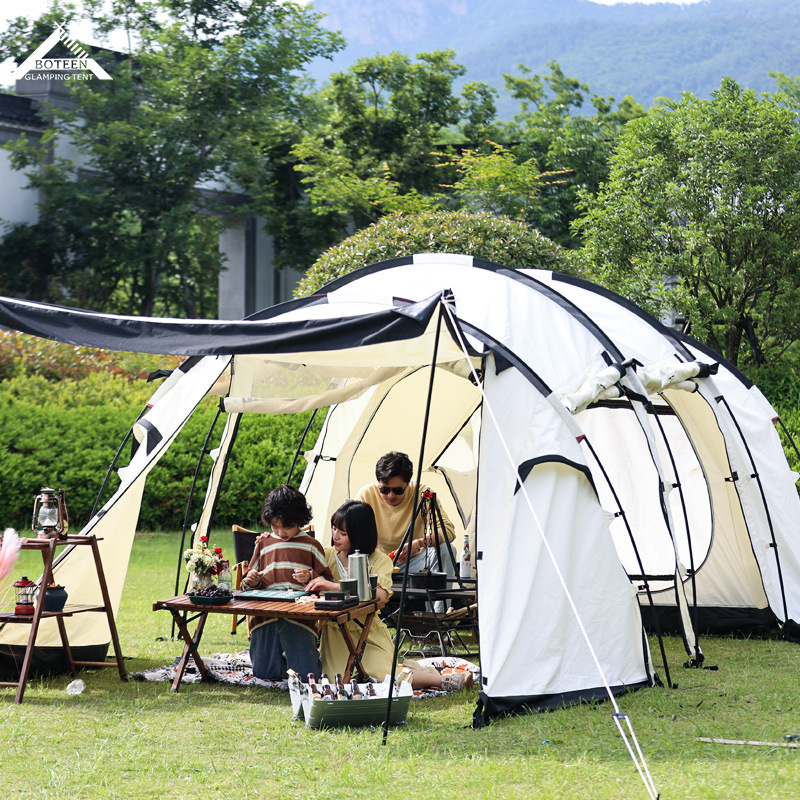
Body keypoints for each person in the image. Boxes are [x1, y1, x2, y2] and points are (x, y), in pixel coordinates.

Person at [302, 500, 472, 692]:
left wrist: (332, 586)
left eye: (343, 533)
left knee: (387, 677)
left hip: (367, 633)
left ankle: (445, 681)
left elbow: (379, 595)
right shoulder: (326, 555)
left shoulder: (378, 560)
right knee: (337, 681)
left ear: (360, 535)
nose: (335, 536)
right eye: (334, 529)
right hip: (335, 635)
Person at [241, 484, 332, 681]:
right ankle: (282, 661)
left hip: (299, 617)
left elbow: (328, 582)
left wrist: (311, 576)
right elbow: (247, 583)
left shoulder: (311, 545)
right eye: (275, 526)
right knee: (264, 674)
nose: (281, 532)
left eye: (287, 526)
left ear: (300, 519)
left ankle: (299, 660)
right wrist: (252, 580)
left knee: (307, 676)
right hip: (265, 615)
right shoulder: (263, 543)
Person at [355, 451, 457, 576]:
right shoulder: (366, 495)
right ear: (378, 483)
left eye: (398, 490)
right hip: (376, 564)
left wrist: (419, 544)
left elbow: (448, 530)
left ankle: (441, 590)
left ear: (408, 484)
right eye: (384, 489)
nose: (390, 495)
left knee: (446, 550)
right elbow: (352, 532)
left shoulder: (422, 493)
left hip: (413, 562)